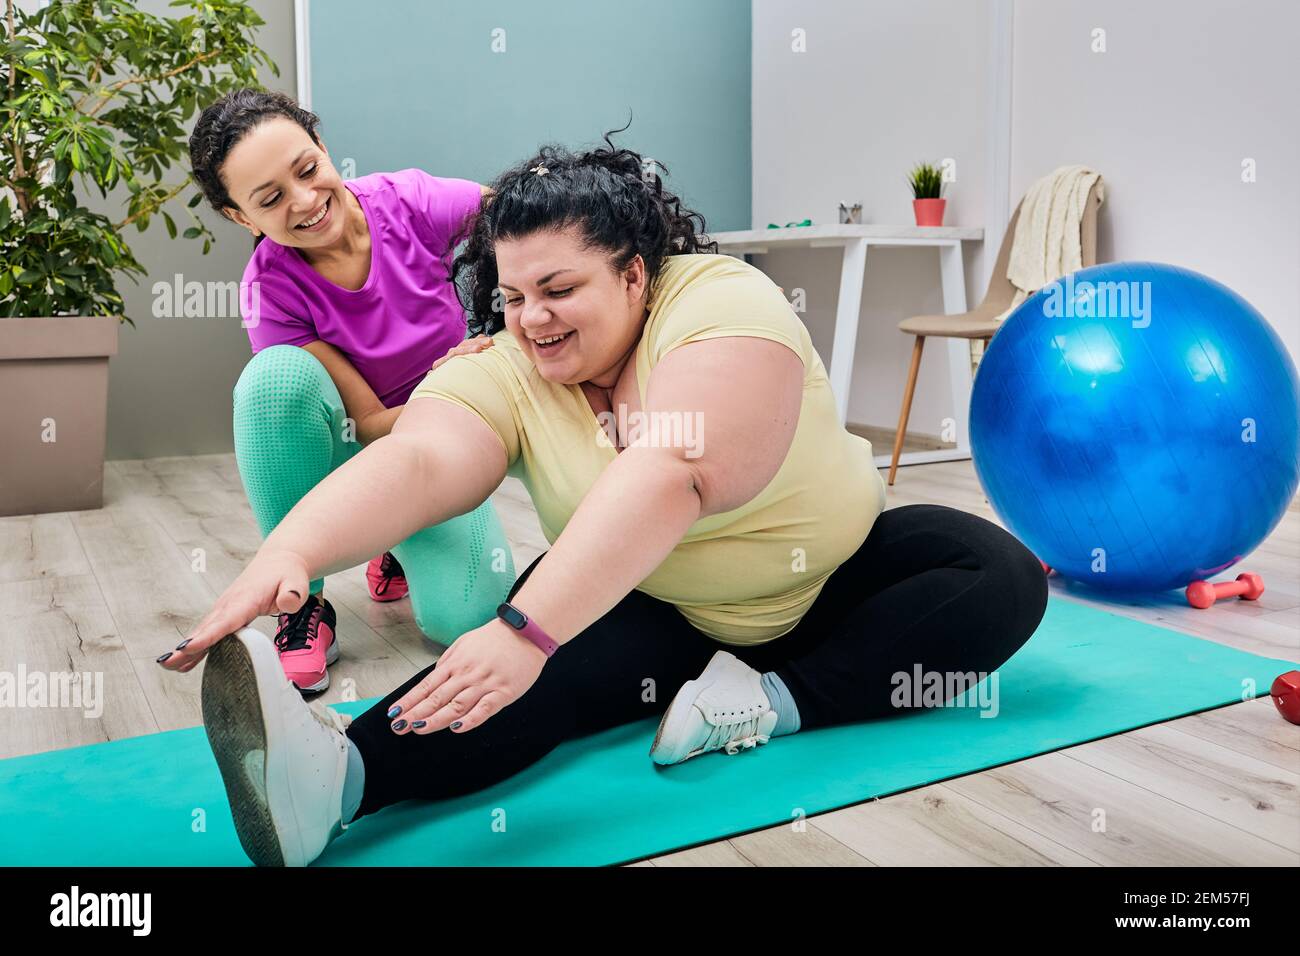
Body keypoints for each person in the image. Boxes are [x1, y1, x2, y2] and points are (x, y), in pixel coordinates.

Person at [162, 128, 1049, 867]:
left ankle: (777, 700)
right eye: (511, 297)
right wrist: (295, 550)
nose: (532, 318)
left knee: (998, 572)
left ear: (634, 274)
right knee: (519, 672)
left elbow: (675, 468)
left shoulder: (720, 300)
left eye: (558, 290)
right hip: (661, 601)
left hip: (833, 576)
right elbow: (425, 460)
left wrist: (527, 629)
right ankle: (341, 778)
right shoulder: (511, 363)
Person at [184, 90, 513, 693]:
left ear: (324, 150)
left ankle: (391, 543)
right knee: (272, 380)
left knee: (466, 620)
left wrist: (500, 335)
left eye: (308, 170)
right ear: (241, 217)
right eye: (271, 198)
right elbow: (365, 421)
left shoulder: (407, 202)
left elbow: (522, 222)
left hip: (443, 450)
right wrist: (454, 389)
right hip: (370, 440)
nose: (306, 201)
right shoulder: (272, 292)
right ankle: (300, 604)